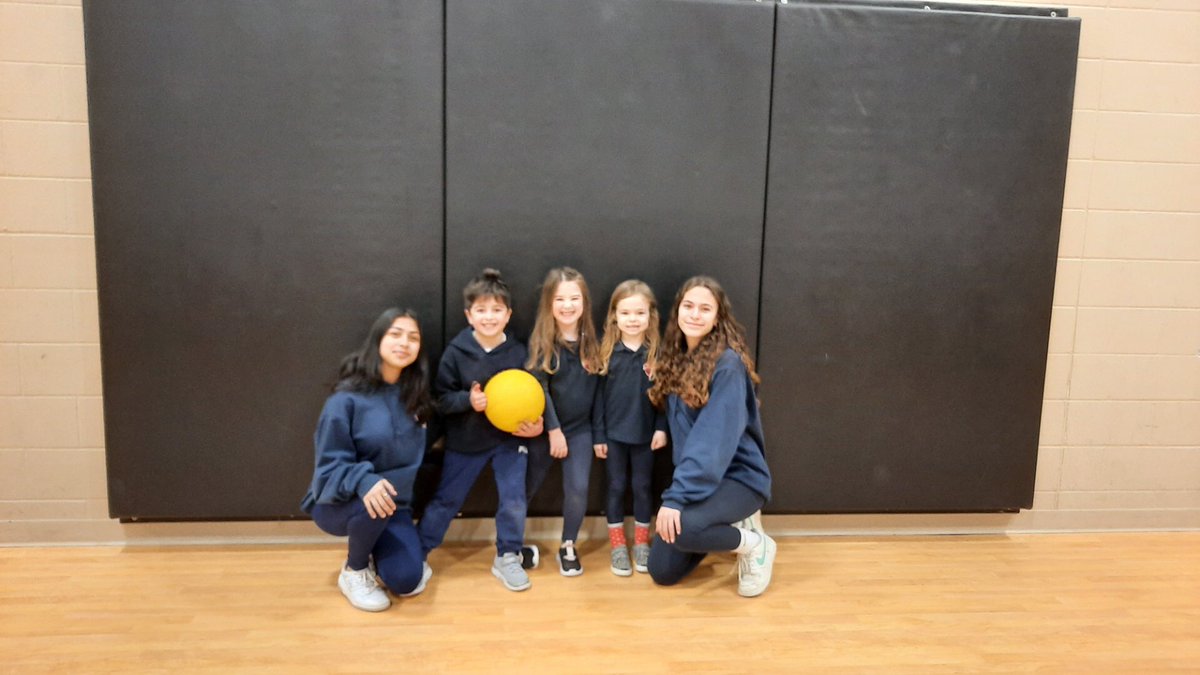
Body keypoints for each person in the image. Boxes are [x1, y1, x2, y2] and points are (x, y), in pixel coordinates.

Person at [646, 276, 777, 597]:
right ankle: (716, 525)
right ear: (678, 310)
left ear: (717, 317)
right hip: (703, 480)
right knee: (662, 571)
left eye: (705, 309)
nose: (695, 314)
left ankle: (755, 544)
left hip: (739, 480)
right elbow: (672, 408)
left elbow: (711, 442)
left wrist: (677, 499)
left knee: (684, 528)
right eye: (688, 306)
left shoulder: (728, 366)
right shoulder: (677, 356)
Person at [300, 307, 436, 612]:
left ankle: (376, 548)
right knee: (377, 496)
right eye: (396, 334)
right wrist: (364, 480)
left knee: (407, 581)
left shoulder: (415, 396)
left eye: (413, 337)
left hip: (394, 504)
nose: (405, 343)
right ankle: (354, 570)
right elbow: (329, 464)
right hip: (342, 501)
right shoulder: (345, 400)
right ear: (378, 340)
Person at [416, 269, 543, 592]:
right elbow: (441, 399)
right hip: (465, 441)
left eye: (497, 310)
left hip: (509, 441)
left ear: (509, 314)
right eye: (481, 310)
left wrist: (536, 424)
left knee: (513, 500)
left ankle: (508, 555)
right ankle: (418, 552)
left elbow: (534, 392)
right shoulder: (457, 352)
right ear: (468, 315)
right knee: (447, 499)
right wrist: (467, 400)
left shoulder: (518, 352)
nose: (489, 317)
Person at [524, 267, 601, 576]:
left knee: (578, 488)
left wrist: (599, 434)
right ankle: (511, 543)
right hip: (545, 429)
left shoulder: (595, 342)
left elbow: (598, 393)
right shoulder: (543, 341)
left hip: (581, 430)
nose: (567, 305)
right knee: (525, 487)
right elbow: (539, 388)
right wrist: (553, 429)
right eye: (560, 299)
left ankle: (568, 544)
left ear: (584, 302)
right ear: (549, 303)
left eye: (574, 298)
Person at [592, 280, 668, 576]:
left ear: (651, 316)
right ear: (614, 316)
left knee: (642, 487)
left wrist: (661, 428)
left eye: (640, 313)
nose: (633, 319)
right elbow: (597, 400)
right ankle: (617, 545)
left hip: (645, 436)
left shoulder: (656, 354)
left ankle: (641, 543)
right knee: (615, 487)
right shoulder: (607, 353)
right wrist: (599, 434)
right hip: (613, 437)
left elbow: (665, 397)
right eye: (626, 313)